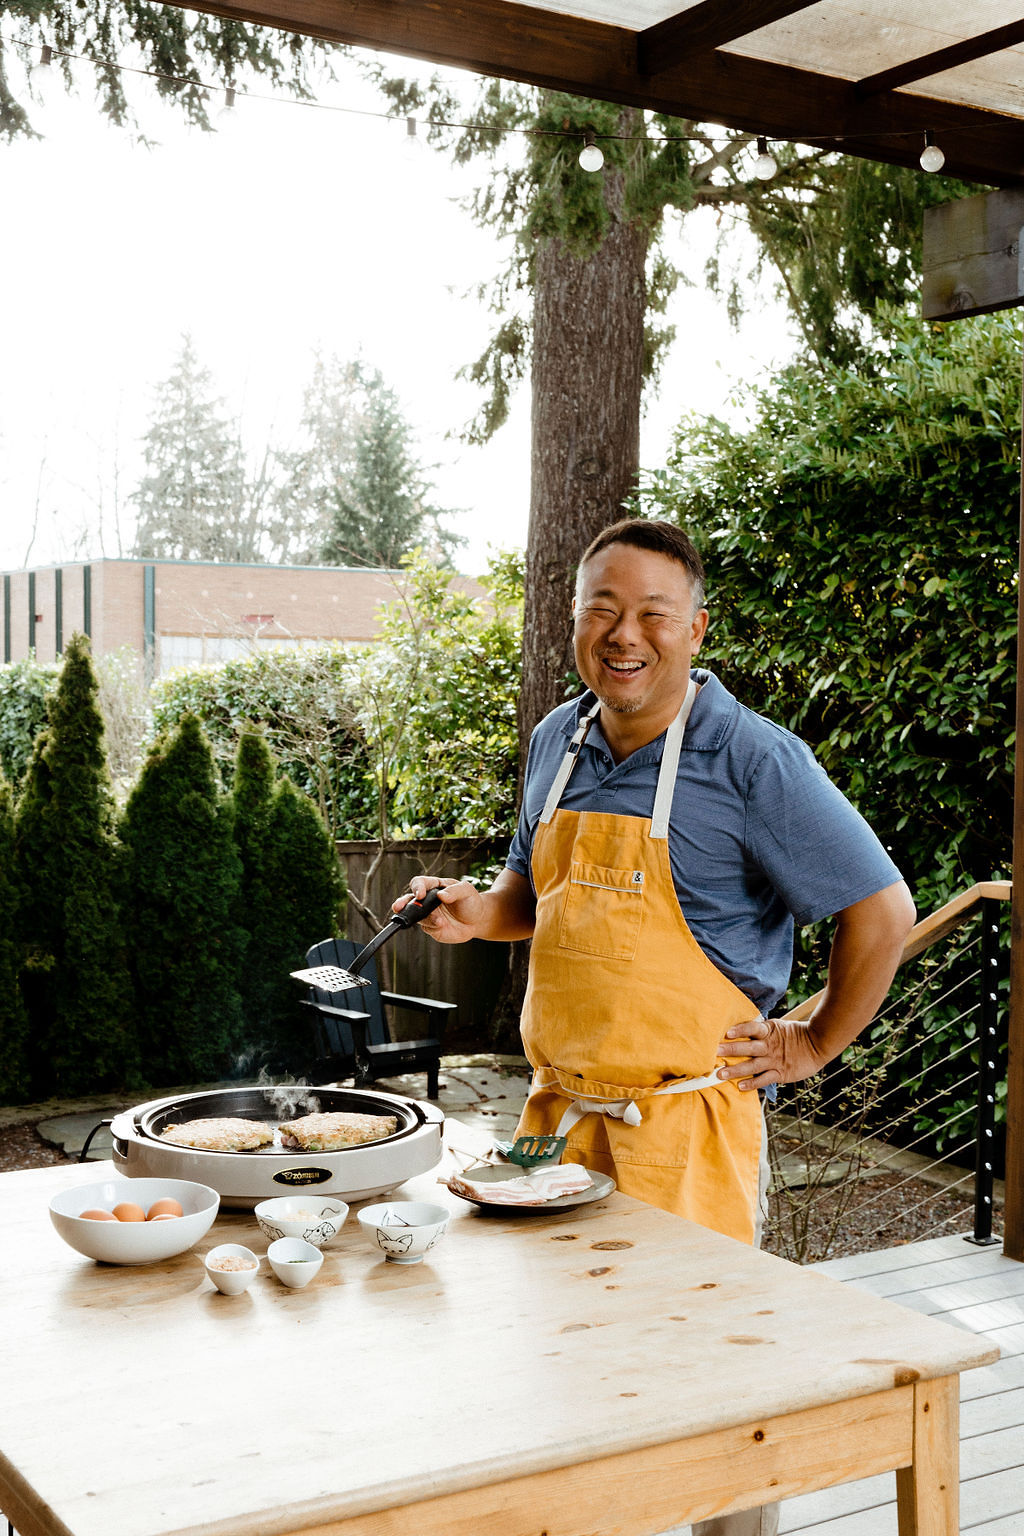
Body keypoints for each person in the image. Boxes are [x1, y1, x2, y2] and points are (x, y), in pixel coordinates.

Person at [398, 518, 916, 1536]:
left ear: (694, 629)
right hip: (552, 1121)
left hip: (683, 1133)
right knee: (560, 1369)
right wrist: (475, 912)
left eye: (650, 614)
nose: (622, 633)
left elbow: (881, 910)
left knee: (713, 1396)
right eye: (602, 607)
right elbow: (530, 896)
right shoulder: (558, 739)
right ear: (574, 618)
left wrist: (810, 1043)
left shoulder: (753, 759)